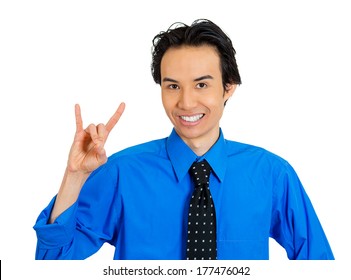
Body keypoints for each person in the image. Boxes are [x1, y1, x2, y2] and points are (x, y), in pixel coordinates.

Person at [33, 19, 334, 260]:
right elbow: (52, 264)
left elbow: (320, 265)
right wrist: (74, 177)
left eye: (201, 84)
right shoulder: (122, 173)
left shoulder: (272, 174)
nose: (186, 103)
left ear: (228, 87)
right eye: (173, 86)